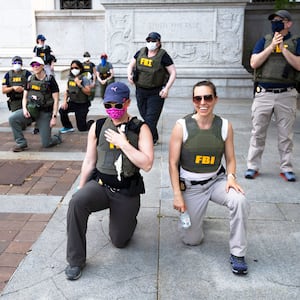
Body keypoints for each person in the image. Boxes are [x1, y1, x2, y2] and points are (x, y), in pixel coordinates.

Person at [64, 81, 154, 280]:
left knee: (119, 241)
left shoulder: (141, 128)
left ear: (127, 102)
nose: (112, 109)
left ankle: (129, 221)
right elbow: (89, 160)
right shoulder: (97, 127)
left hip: (126, 191)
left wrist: (124, 144)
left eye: (117, 105)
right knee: (76, 203)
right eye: (108, 105)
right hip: (101, 186)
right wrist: (81, 187)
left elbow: (147, 164)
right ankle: (75, 260)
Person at [169, 80, 250, 275]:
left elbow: (230, 158)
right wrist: (177, 194)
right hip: (191, 186)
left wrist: (231, 177)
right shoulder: (181, 126)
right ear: (193, 100)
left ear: (215, 99)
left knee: (240, 200)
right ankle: (195, 217)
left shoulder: (224, 125)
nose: (203, 102)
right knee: (192, 240)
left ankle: (237, 253)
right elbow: (172, 163)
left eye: (208, 97)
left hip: (216, 182)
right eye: (198, 98)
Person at [245, 10, 299, 182]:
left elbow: (298, 65)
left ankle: (286, 167)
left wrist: (283, 48)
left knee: (286, 135)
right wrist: (271, 47)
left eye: (280, 20)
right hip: (264, 94)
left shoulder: (296, 41)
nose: (276, 22)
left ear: (289, 23)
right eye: (274, 20)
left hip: (287, 94)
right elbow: (254, 63)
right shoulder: (264, 40)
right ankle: (252, 166)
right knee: (258, 132)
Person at [127, 32, 176, 145]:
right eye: (148, 41)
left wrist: (166, 88)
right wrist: (129, 75)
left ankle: (146, 141)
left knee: (150, 118)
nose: (151, 43)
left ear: (159, 43)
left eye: (153, 41)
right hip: (140, 90)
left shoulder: (163, 55)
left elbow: (173, 72)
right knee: (144, 114)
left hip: (156, 92)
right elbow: (131, 65)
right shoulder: (141, 52)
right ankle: (153, 137)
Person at [9, 57, 62, 152]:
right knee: (13, 118)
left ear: (42, 66)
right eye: (33, 65)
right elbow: (25, 97)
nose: (35, 67)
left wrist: (54, 117)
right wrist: (25, 109)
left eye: (37, 65)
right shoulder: (30, 79)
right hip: (31, 110)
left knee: (46, 144)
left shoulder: (50, 80)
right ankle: (21, 143)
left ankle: (57, 138)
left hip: (45, 113)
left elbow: (56, 100)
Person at [59, 60, 93, 133]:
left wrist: (79, 85)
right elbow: (67, 91)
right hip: (73, 102)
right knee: (62, 110)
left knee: (82, 128)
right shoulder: (70, 78)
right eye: (72, 68)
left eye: (76, 68)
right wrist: (64, 102)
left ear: (80, 68)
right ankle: (68, 127)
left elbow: (88, 92)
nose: (74, 70)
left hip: (82, 104)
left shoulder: (84, 78)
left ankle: (91, 123)